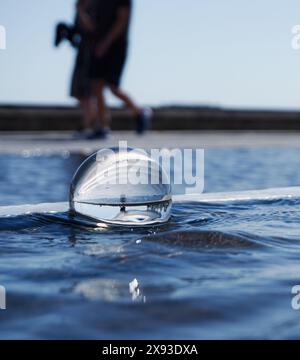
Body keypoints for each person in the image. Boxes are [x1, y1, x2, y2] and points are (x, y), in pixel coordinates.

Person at [75, 0, 152, 139]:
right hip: (97, 46)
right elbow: (91, 26)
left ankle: (139, 113)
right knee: (96, 86)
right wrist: (81, 11)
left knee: (113, 87)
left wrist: (106, 42)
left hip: (116, 47)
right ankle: (103, 126)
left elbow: (122, 20)